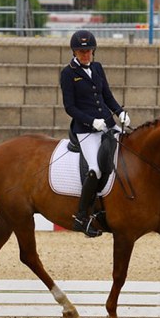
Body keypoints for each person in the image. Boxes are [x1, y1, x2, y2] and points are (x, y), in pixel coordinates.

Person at [60, 30, 131, 237]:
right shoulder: (68, 73)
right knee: (95, 170)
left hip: (107, 124)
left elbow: (107, 96)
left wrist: (120, 112)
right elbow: (70, 107)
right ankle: (82, 216)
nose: (86, 54)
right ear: (75, 52)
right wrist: (92, 121)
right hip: (85, 130)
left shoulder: (98, 68)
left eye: (89, 50)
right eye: (82, 51)